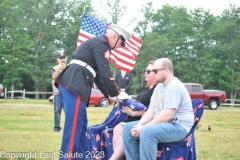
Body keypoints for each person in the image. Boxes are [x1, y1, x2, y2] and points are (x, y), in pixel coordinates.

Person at [55, 24, 131, 160]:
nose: (120, 46)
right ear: (115, 36)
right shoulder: (102, 43)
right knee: (73, 129)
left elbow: (99, 77)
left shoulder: (98, 43)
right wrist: (117, 92)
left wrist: (109, 95)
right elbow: (105, 71)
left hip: (76, 85)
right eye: (121, 43)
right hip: (75, 85)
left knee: (81, 127)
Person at [122, 58, 194, 160]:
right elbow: (151, 111)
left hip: (178, 126)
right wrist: (138, 126)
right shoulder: (159, 86)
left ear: (166, 70)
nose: (153, 73)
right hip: (165, 124)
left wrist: (143, 128)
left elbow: (167, 115)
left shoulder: (174, 86)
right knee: (128, 128)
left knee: (147, 131)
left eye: (155, 71)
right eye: (152, 71)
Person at [109, 61, 158, 160]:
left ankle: (113, 158)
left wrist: (132, 113)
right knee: (117, 129)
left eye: (148, 71)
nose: (145, 73)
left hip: (144, 119)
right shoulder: (144, 88)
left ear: (155, 73)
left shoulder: (157, 89)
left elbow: (151, 110)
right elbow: (137, 103)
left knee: (125, 131)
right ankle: (119, 157)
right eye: (145, 70)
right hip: (133, 117)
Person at [51, 52, 67, 132]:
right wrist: (59, 68)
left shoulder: (70, 67)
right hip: (58, 93)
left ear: (66, 58)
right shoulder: (55, 68)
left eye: (63, 58)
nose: (62, 59)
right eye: (60, 58)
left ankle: (68, 128)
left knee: (68, 111)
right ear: (58, 60)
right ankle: (56, 128)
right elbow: (53, 76)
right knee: (57, 111)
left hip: (68, 93)